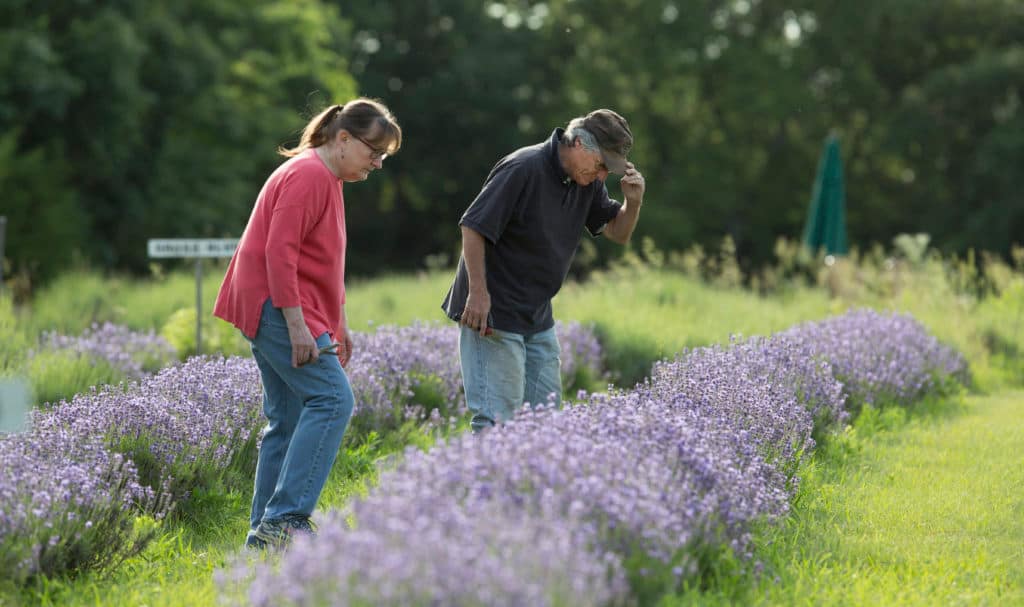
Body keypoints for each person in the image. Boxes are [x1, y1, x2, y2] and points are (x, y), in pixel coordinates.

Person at [213, 98, 402, 549]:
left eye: (383, 157)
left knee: (288, 416)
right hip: (276, 308)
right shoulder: (308, 175)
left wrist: (338, 325)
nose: (377, 163)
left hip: (285, 307)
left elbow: (322, 263)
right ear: (342, 138)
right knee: (333, 400)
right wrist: (298, 327)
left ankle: (263, 533)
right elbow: (281, 254)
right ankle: (286, 518)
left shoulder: (326, 176)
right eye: (373, 152)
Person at [441, 108, 646, 432]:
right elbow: (473, 226)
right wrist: (478, 295)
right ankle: (486, 484)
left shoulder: (586, 181)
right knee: (497, 422)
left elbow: (617, 234)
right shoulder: (523, 167)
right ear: (578, 143)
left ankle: (526, 485)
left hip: (537, 315)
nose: (603, 175)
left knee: (546, 426)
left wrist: (631, 203)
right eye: (602, 164)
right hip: (492, 311)